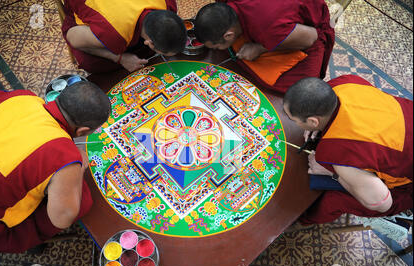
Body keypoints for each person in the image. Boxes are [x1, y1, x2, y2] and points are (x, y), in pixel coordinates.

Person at [0, 81, 111, 253]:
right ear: (82, 131)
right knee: (83, 199)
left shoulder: (21, 97)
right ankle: (31, 242)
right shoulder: (63, 154)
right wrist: (78, 165)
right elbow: (62, 218)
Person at [282, 75, 413, 228]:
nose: (296, 124)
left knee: (331, 201)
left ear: (313, 121)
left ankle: (303, 221)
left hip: (406, 186)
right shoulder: (345, 82)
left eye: (294, 120)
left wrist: (334, 174)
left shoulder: (336, 152)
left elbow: (381, 202)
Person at [194, 0, 335, 94]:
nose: (217, 50)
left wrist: (260, 48)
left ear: (229, 35)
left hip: (309, 30)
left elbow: (312, 37)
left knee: (301, 91)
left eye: (217, 47)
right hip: (274, 16)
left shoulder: (268, 29)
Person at [61, 0, 187, 73]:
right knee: (91, 63)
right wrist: (119, 58)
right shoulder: (114, 35)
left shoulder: (168, 4)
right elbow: (72, 37)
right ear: (150, 43)